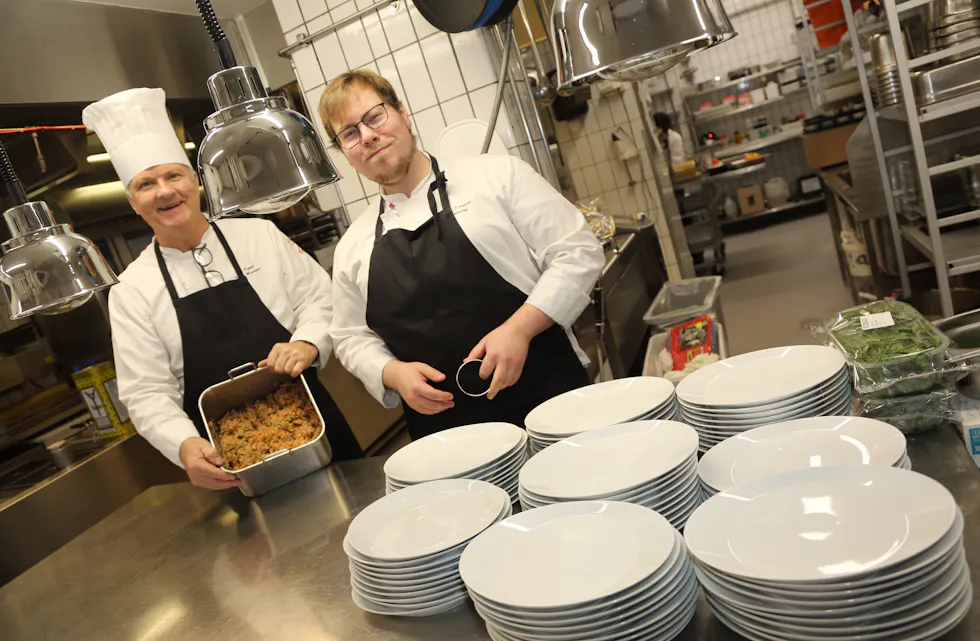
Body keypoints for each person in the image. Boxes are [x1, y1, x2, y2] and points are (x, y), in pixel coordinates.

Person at [82, 88, 363, 490]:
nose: (164, 191)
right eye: (146, 184)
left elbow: (320, 299)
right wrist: (183, 446)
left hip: (316, 424)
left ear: (195, 181)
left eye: (173, 175)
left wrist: (307, 343)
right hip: (228, 458)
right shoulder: (131, 291)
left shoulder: (259, 235)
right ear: (133, 202)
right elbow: (145, 392)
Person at [320, 70, 604, 441]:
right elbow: (348, 336)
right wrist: (391, 372)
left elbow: (578, 251)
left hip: (552, 405)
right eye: (350, 133)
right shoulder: (352, 247)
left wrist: (519, 329)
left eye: (375, 117)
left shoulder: (496, 176)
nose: (368, 136)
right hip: (448, 439)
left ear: (403, 114)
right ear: (346, 154)